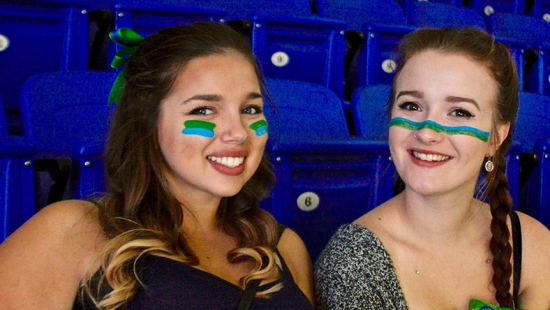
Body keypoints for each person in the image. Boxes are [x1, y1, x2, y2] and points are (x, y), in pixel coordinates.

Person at [0, 22, 314, 309]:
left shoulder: (284, 246)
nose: (238, 133)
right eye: (204, 110)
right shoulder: (71, 231)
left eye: (250, 108)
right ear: (147, 124)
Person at [314, 27, 550, 309]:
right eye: (412, 106)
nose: (426, 132)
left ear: (496, 138)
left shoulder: (533, 244)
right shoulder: (351, 263)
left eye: (459, 112)